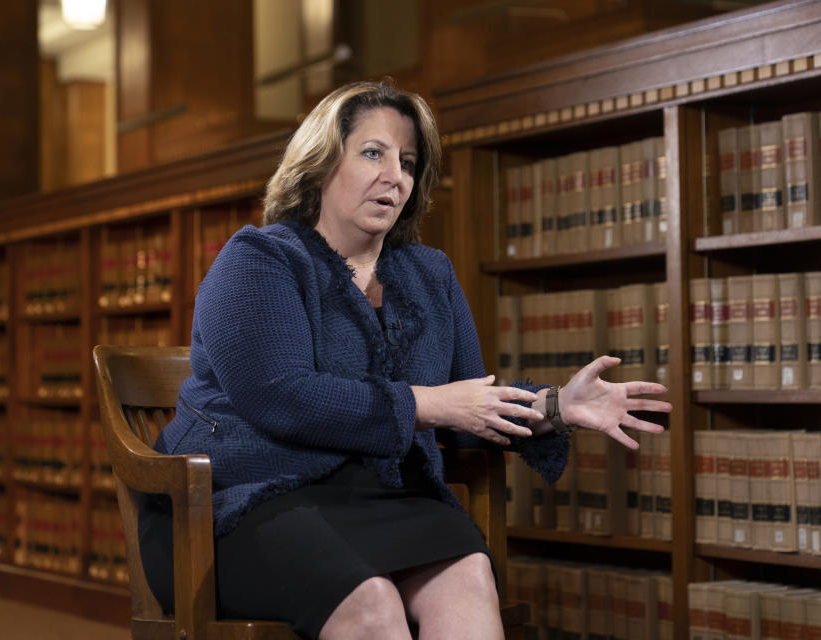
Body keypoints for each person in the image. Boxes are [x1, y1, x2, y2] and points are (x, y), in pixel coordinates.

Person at [138, 79, 671, 640]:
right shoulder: (258, 260)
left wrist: (555, 407)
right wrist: (431, 403)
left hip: (383, 499)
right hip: (244, 502)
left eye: (409, 162)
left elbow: (467, 411)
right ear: (320, 162)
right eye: (374, 153)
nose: (396, 176)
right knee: (372, 603)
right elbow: (282, 398)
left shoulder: (429, 273)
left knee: (469, 577)